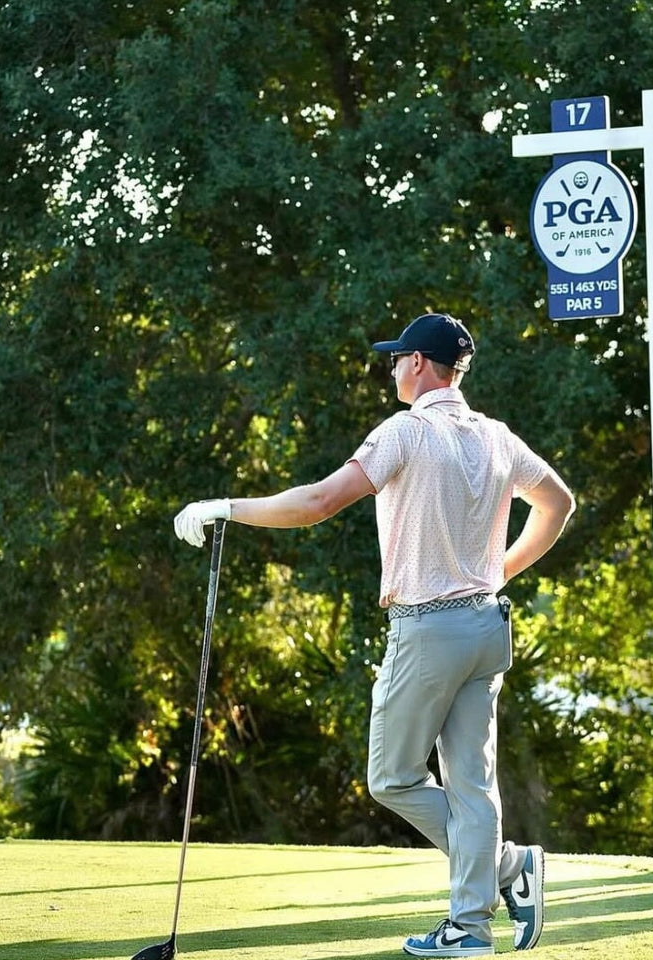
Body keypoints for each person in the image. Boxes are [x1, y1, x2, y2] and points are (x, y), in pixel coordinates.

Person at [174, 312, 575, 957]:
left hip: (428, 630)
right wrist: (500, 569)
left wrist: (224, 508)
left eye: (396, 358)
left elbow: (317, 503)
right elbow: (558, 503)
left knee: (392, 777)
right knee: (472, 785)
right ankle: (471, 928)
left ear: (418, 363)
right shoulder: (498, 437)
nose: (391, 367)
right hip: (486, 627)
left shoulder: (405, 432)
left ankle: (503, 869)